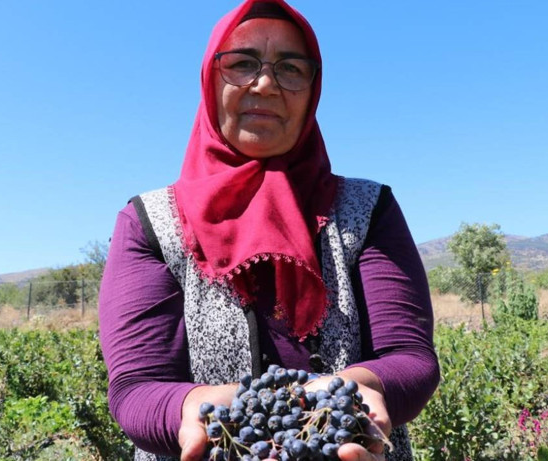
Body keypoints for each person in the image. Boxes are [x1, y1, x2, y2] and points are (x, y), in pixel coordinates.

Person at [98, 1, 440, 460]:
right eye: (241, 63)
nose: (265, 83)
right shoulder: (150, 222)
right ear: (209, 79)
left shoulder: (367, 209)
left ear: (313, 89)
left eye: (291, 68)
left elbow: (409, 356)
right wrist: (192, 410)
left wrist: (357, 391)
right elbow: (136, 387)